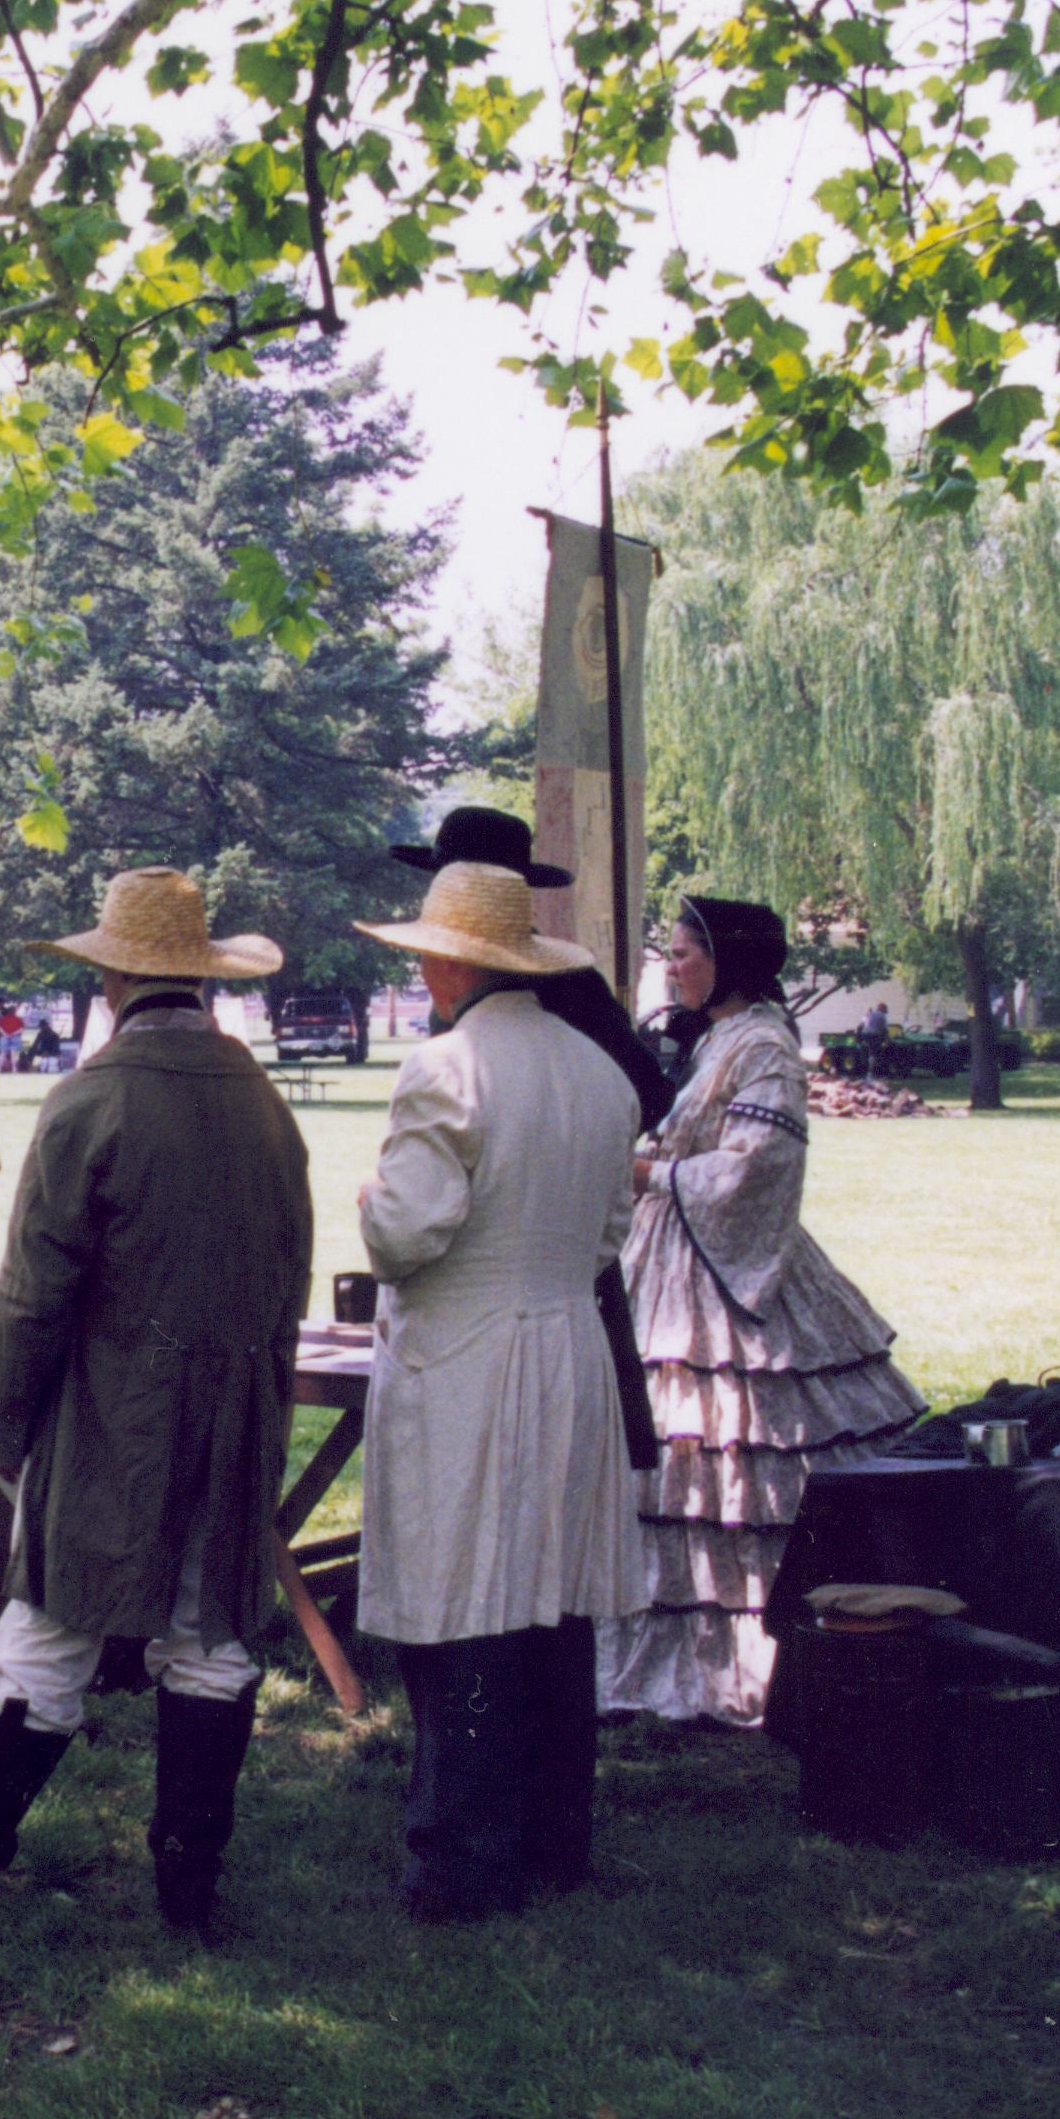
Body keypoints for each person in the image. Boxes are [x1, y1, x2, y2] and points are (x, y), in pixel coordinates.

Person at [0, 869, 313, 1938]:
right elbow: (291, 1271)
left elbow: (33, 1292)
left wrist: (10, 1428)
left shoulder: (93, 1098)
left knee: (47, 1626)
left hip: (112, 1411)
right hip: (235, 1408)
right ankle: (189, 1894)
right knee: (208, 1632)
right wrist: (259, 1397)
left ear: (115, 976)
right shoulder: (264, 1102)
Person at [351, 862, 645, 1920]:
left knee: (465, 1593)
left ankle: (462, 1857)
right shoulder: (600, 1073)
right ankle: (552, 1834)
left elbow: (406, 1230)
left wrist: (368, 1201)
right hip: (568, 1347)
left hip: (469, 1357)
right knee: (552, 1599)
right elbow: (612, 1231)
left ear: (452, 960)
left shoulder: (447, 1069)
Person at [609, 897, 921, 1725]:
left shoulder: (764, 1047)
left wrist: (650, 1175)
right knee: (666, 1439)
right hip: (673, 1255)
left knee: (731, 1441)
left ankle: (749, 1645)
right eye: (668, 953)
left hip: (727, 1263)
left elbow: (757, 1170)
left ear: (730, 962)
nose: (670, 966)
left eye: (682, 953)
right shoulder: (718, 1038)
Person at [390, 803, 672, 1472]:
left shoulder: (565, 984)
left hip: (542, 1249)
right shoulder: (455, 996)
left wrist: (551, 1137)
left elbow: (647, 1093)